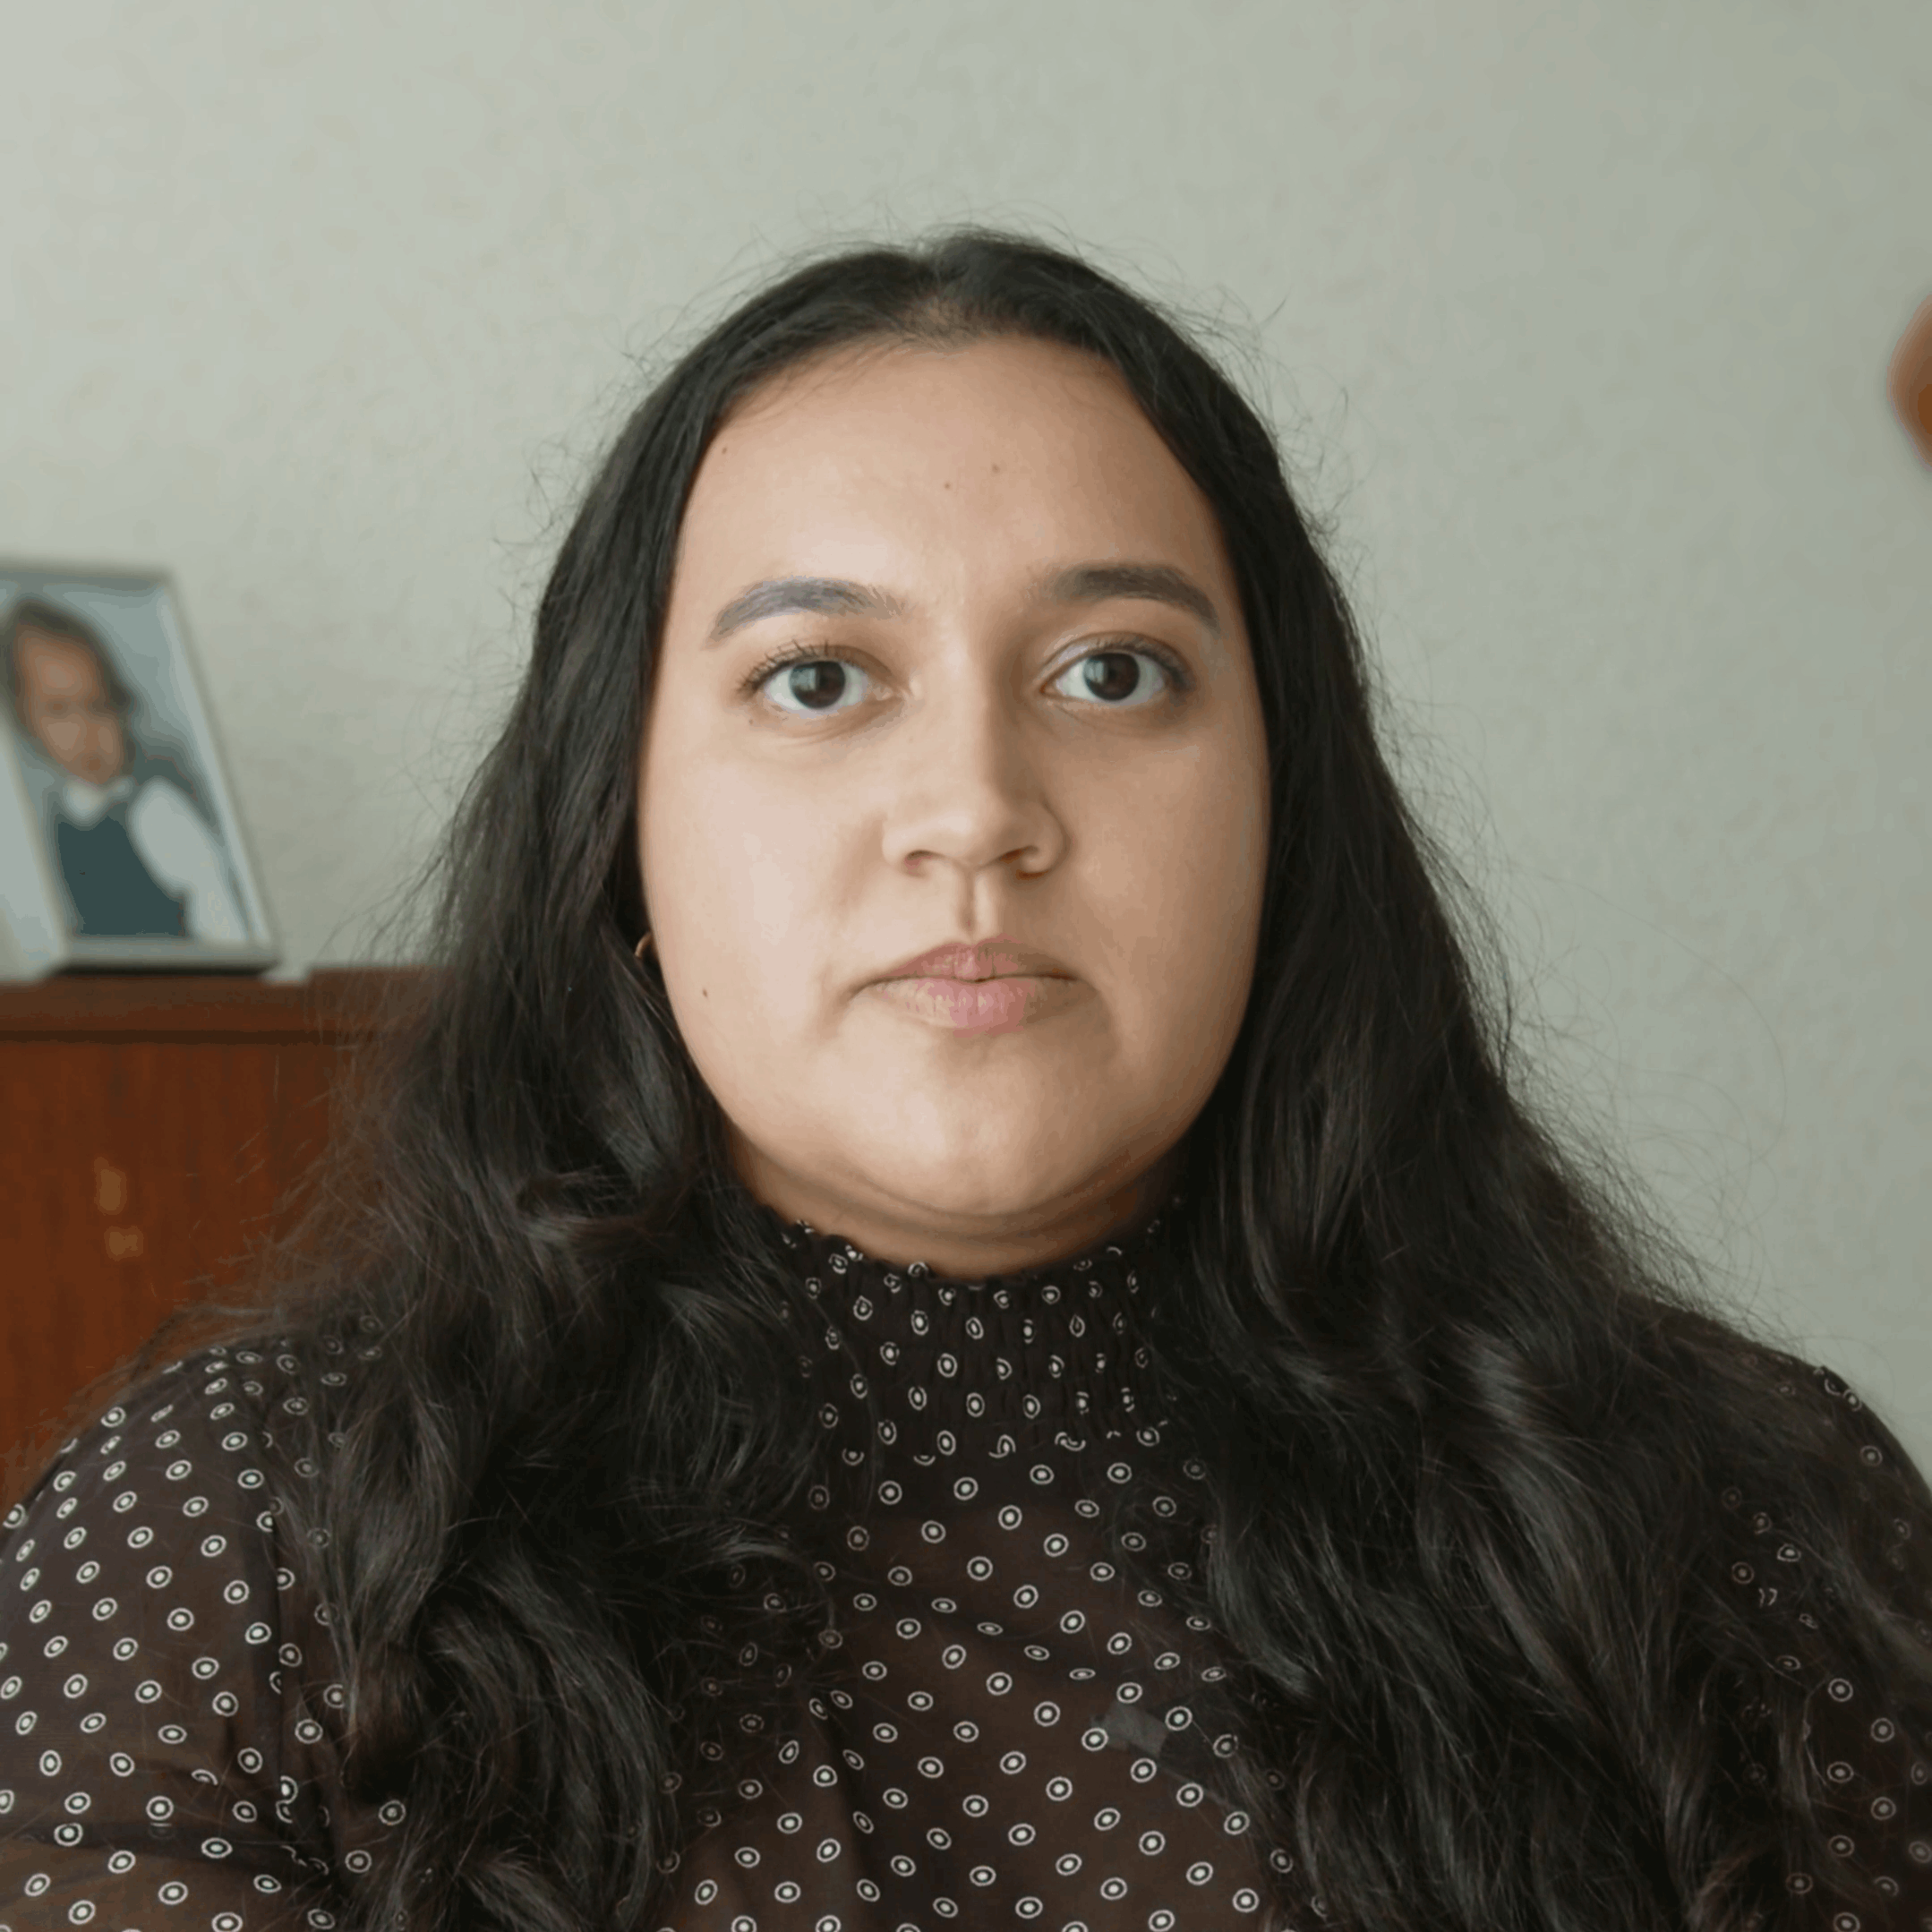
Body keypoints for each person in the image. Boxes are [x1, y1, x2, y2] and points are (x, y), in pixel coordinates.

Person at [2, 228, 1928, 1932]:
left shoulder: (1741, 1518)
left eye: (1110, 673)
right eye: (818, 679)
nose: (978, 816)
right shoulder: (229, 1542)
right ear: (621, 840)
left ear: (1283, 806)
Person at [2, 597, 251, 943]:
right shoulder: (61, 820)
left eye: (98, 706)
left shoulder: (155, 807)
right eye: (59, 710)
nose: (85, 730)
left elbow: (215, 903)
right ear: (27, 721)